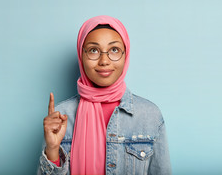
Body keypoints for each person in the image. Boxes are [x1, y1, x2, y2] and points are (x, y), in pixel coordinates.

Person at [38, 15, 171, 175]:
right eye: (94, 50)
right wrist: (52, 150)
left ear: (125, 55)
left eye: (114, 50)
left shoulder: (149, 115)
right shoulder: (61, 116)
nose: (104, 60)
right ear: (81, 56)